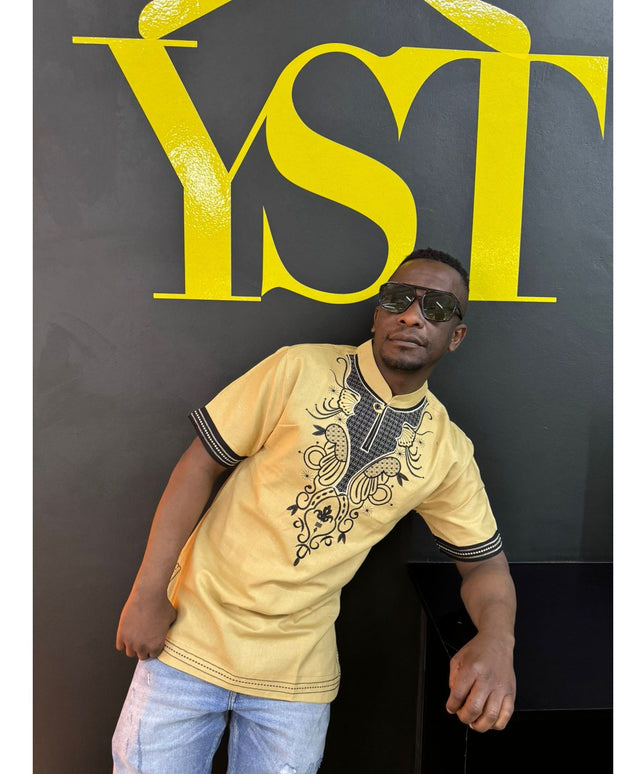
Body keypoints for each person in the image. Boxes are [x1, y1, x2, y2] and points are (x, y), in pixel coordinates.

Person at [112, 247, 516, 774]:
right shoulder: (298, 368)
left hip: (297, 678)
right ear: (377, 315)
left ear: (455, 336)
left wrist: (497, 641)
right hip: (186, 640)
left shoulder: (446, 451)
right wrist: (146, 593)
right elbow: (197, 468)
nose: (412, 316)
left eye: (436, 307)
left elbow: (485, 566)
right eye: (399, 299)